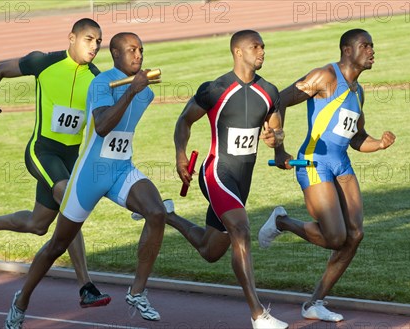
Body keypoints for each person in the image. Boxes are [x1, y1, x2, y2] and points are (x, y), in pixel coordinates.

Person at [4, 32, 168, 328]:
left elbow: (122, 132)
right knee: (56, 245)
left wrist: (136, 89)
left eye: (141, 50)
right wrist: (130, 91)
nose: (139, 55)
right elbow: (103, 127)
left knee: (157, 212)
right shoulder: (101, 83)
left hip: (121, 169)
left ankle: (137, 292)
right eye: (131, 50)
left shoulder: (147, 92)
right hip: (89, 175)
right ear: (115, 54)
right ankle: (21, 299)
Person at [0, 18, 111, 309]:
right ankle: (86, 285)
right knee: (71, 199)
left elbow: (104, 122)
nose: (94, 46)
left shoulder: (97, 78)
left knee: (38, 225)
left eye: (99, 41)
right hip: (42, 151)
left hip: (69, 158)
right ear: (71, 38)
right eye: (88, 39)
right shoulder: (42, 63)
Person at [258, 29, 396, 322]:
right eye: (365, 45)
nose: (372, 51)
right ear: (347, 50)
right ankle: (281, 222)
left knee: (355, 234)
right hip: (314, 163)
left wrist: (379, 144)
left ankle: (315, 303)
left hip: (341, 163)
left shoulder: (358, 92)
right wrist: (278, 149)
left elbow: (357, 138)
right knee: (335, 237)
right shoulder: (325, 77)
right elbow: (278, 100)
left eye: (373, 45)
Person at [168, 30, 288, 329]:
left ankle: (164, 213)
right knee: (242, 230)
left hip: (242, 180)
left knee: (211, 251)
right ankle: (258, 314)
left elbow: (276, 128)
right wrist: (180, 154)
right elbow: (184, 120)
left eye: (263, 46)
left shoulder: (270, 91)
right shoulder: (215, 89)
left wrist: (277, 141)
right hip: (216, 173)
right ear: (238, 51)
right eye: (255, 46)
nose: (262, 51)